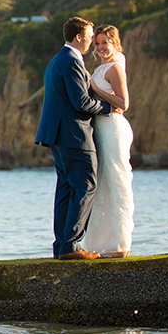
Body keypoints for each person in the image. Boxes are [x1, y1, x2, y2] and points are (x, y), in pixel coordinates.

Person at [34, 17, 111, 260]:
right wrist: (108, 108)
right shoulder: (71, 62)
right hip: (74, 134)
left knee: (66, 189)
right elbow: (81, 102)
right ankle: (72, 245)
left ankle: (62, 246)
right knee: (86, 186)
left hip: (58, 134)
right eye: (89, 37)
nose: (91, 41)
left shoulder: (57, 60)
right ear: (79, 37)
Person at [85, 25, 134, 257]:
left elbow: (123, 103)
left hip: (113, 127)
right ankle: (103, 244)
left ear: (115, 43)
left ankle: (118, 244)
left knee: (115, 180)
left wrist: (94, 88)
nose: (101, 47)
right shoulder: (101, 67)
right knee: (103, 181)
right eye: (98, 43)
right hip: (101, 128)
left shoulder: (114, 68)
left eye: (106, 42)